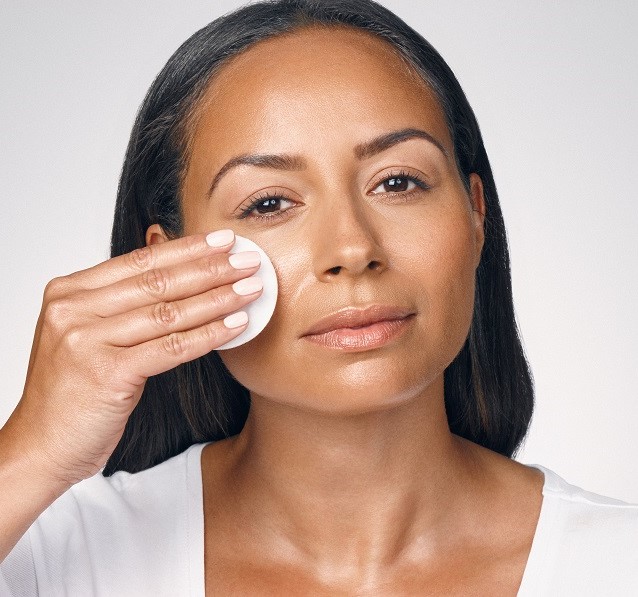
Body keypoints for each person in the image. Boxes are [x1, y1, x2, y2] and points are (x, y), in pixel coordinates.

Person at [1, 0, 636, 594]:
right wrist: (34, 450)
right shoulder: (58, 557)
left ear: (475, 214)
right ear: (164, 261)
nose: (353, 247)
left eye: (398, 182)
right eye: (269, 203)